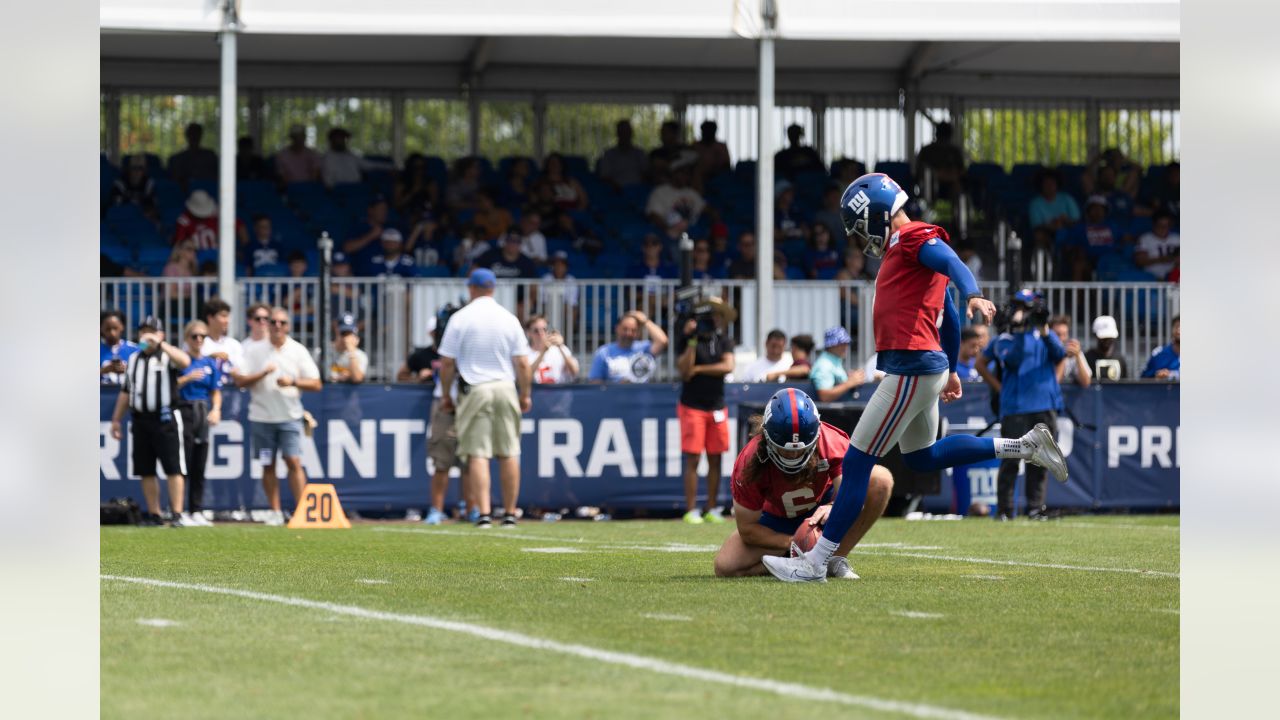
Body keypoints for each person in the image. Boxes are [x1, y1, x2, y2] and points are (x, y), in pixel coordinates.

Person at [762, 173, 1067, 583]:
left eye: (860, 225)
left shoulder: (912, 238)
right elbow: (951, 316)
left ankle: (817, 561)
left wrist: (974, 291)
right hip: (927, 366)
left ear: (874, 214)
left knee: (856, 462)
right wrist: (953, 369)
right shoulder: (903, 249)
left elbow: (952, 262)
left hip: (911, 368)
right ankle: (1025, 445)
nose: (859, 236)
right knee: (922, 456)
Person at [714, 389, 895, 579]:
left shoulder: (831, 441)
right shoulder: (750, 460)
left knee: (880, 480)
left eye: (801, 450)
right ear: (767, 437)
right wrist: (794, 542)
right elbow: (748, 529)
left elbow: (850, 491)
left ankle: (834, 559)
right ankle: (794, 562)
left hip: (822, 515)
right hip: (776, 521)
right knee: (726, 567)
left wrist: (834, 507)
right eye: (784, 450)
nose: (793, 455)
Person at [437, 269, 533, 528]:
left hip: (476, 388)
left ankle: (484, 514)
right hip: (505, 386)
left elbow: (447, 364)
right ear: (493, 288)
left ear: (471, 288)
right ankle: (511, 513)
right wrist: (525, 394)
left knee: (478, 454)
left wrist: (446, 394)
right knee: (509, 451)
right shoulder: (508, 318)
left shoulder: (460, 318)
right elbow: (523, 363)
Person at [235, 306, 323, 526]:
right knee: (268, 464)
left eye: (281, 323)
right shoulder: (255, 350)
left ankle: (302, 511)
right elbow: (240, 381)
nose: (276, 326)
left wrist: (293, 382)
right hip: (262, 418)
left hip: (289, 416)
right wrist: (262, 373)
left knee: (293, 461)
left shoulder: (297, 350)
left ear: (288, 326)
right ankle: (274, 511)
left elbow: (316, 383)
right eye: (273, 322)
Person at [983, 290, 1066, 521]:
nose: (1024, 312)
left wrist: (1045, 331)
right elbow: (1012, 359)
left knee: (1041, 459)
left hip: (1043, 405)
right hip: (1015, 407)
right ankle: (1005, 510)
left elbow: (1060, 355)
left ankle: (1035, 508)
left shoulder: (1044, 335)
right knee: (1010, 459)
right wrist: (999, 388)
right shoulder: (1006, 338)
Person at [108, 316, 193, 526]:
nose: (147, 335)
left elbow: (185, 362)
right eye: (143, 331)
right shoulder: (135, 359)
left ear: (161, 334)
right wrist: (116, 419)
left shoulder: (167, 355)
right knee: (145, 469)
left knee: (173, 467)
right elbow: (126, 391)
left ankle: (176, 514)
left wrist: (161, 344)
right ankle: (154, 514)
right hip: (140, 419)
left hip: (165, 418)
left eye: (152, 331)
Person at [675, 298, 736, 524]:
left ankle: (711, 507)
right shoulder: (687, 339)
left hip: (717, 406)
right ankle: (691, 510)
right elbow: (683, 370)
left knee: (716, 458)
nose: (713, 320)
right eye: (710, 316)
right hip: (692, 405)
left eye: (717, 315)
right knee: (693, 458)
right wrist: (691, 341)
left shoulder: (724, 340)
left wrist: (699, 368)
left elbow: (728, 366)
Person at [176, 320, 220, 526]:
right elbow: (169, 385)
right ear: (187, 339)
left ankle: (196, 509)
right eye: (194, 336)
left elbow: (215, 391)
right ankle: (179, 509)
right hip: (184, 410)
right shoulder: (181, 361)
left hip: (202, 410)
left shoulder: (210, 363)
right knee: (184, 461)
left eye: (203, 336)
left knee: (199, 463)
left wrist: (216, 409)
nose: (199, 340)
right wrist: (187, 378)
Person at [588, 310, 669, 384]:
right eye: (625, 329)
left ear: (638, 332)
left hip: (641, 396)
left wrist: (645, 321)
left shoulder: (645, 349)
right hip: (614, 397)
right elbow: (595, 381)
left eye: (633, 330)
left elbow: (662, 341)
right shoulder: (604, 352)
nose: (629, 334)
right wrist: (618, 386)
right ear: (617, 328)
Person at [646, 156, 705, 240]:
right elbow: (653, 215)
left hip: (691, 233)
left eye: (687, 174)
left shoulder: (691, 192)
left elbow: (705, 208)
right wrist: (667, 229)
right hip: (669, 233)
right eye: (683, 173)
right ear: (674, 173)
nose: (686, 176)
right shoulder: (660, 191)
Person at [808, 327, 867, 402]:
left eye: (846, 343)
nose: (845, 347)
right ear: (830, 345)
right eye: (841, 343)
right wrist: (850, 383)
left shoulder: (833, 361)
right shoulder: (824, 365)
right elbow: (825, 396)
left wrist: (848, 378)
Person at [914, 121, 965, 200]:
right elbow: (921, 173)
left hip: (950, 188)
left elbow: (961, 172)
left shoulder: (954, 151)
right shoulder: (927, 151)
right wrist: (937, 174)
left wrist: (946, 175)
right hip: (930, 187)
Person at [525, 315, 578, 384]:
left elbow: (574, 371)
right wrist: (543, 352)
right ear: (529, 333)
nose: (541, 333)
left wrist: (560, 346)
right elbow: (526, 377)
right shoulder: (525, 352)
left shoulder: (560, 349)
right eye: (536, 331)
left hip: (559, 393)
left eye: (544, 329)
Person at [597, 119, 649, 189]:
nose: (625, 135)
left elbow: (646, 174)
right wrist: (616, 186)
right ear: (617, 134)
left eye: (627, 132)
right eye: (622, 132)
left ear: (631, 133)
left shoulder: (640, 153)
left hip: (638, 191)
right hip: (616, 192)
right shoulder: (609, 155)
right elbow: (605, 176)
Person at [106, 155, 158, 222]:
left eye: (140, 168)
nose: (137, 172)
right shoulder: (119, 183)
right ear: (129, 169)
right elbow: (116, 205)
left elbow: (153, 205)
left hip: (142, 219)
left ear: (145, 171)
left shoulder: (149, 183)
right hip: (124, 219)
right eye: (134, 168)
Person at [167, 122, 218, 190]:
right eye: (192, 134)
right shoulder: (176, 159)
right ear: (187, 135)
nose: (194, 136)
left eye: (196, 134)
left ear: (200, 135)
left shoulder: (210, 156)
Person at [1134, 210, 1180, 280]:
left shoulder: (1177, 238)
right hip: (1152, 278)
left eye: (1166, 225)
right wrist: (1160, 259)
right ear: (1154, 224)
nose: (1163, 228)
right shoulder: (1145, 239)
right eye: (1160, 225)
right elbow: (1140, 261)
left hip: (1174, 277)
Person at [1084, 315, 1129, 382]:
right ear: (1095, 336)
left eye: (1109, 338)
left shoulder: (1120, 359)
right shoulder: (1087, 358)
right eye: (1104, 338)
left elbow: (1125, 385)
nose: (1107, 341)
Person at [1050, 316, 1092, 387]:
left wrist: (1078, 356)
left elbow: (1086, 382)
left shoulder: (1073, 352)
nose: (1061, 338)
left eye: (1064, 334)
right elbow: (1055, 383)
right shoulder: (1042, 352)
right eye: (1058, 334)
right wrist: (1064, 356)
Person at [100, 309, 139, 386]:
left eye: (115, 328)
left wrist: (128, 370)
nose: (112, 333)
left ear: (122, 327)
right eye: (108, 329)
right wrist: (103, 371)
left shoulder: (135, 348)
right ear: (101, 329)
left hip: (127, 396)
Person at [328, 313, 369, 384]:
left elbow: (357, 378)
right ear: (336, 331)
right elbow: (314, 377)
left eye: (349, 333)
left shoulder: (360, 355)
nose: (346, 337)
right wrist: (337, 378)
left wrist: (351, 350)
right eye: (343, 333)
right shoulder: (325, 351)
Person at [1141, 315, 1180, 381]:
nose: (1179, 331)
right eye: (1177, 326)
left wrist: (1171, 375)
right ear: (1172, 329)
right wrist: (1157, 377)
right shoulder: (1158, 353)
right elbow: (1144, 379)